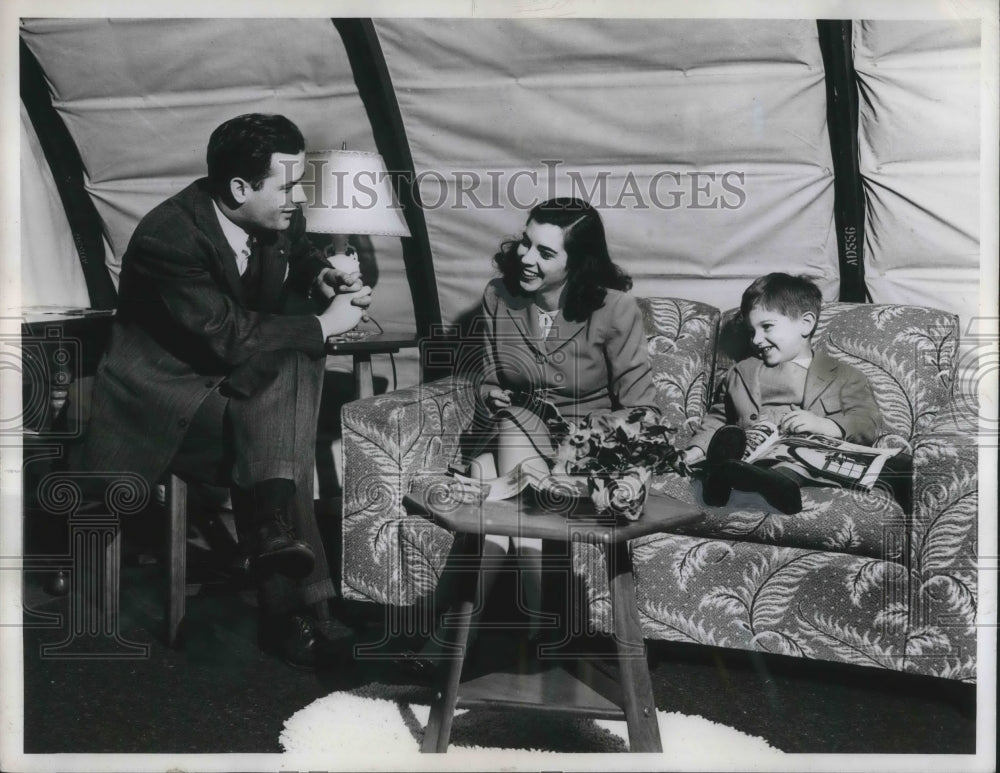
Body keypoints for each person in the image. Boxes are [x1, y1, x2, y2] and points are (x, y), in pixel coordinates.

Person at [78, 113, 372, 668]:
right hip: (168, 402)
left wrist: (321, 277)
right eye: (287, 186)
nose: (298, 197)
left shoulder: (276, 213)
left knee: (285, 388)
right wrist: (324, 323)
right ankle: (298, 601)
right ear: (239, 188)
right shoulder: (169, 236)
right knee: (282, 418)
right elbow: (227, 335)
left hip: (239, 390)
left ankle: (279, 546)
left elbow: (298, 254)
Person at [402, 198, 658, 678]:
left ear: (578, 263)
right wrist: (491, 393)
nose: (526, 257)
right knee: (510, 432)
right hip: (515, 430)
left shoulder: (616, 309)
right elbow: (487, 378)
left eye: (545, 252)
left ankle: (458, 633)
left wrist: (584, 437)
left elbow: (642, 410)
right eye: (525, 242)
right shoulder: (499, 295)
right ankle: (543, 628)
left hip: (581, 449)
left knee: (492, 492)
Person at [675, 272, 891, 514]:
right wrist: (697, 449)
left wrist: (824, 425)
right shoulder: (741, 372)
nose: (756, 340)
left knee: (795, 462)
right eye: (751, 332)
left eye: (766, 327)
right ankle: (722, 477)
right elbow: (717, 420)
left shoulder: (844, 375)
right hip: (750, 451)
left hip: (801, 453)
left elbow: (866, 420)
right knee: (730, 452)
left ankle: (777, 485)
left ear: (806, 324)